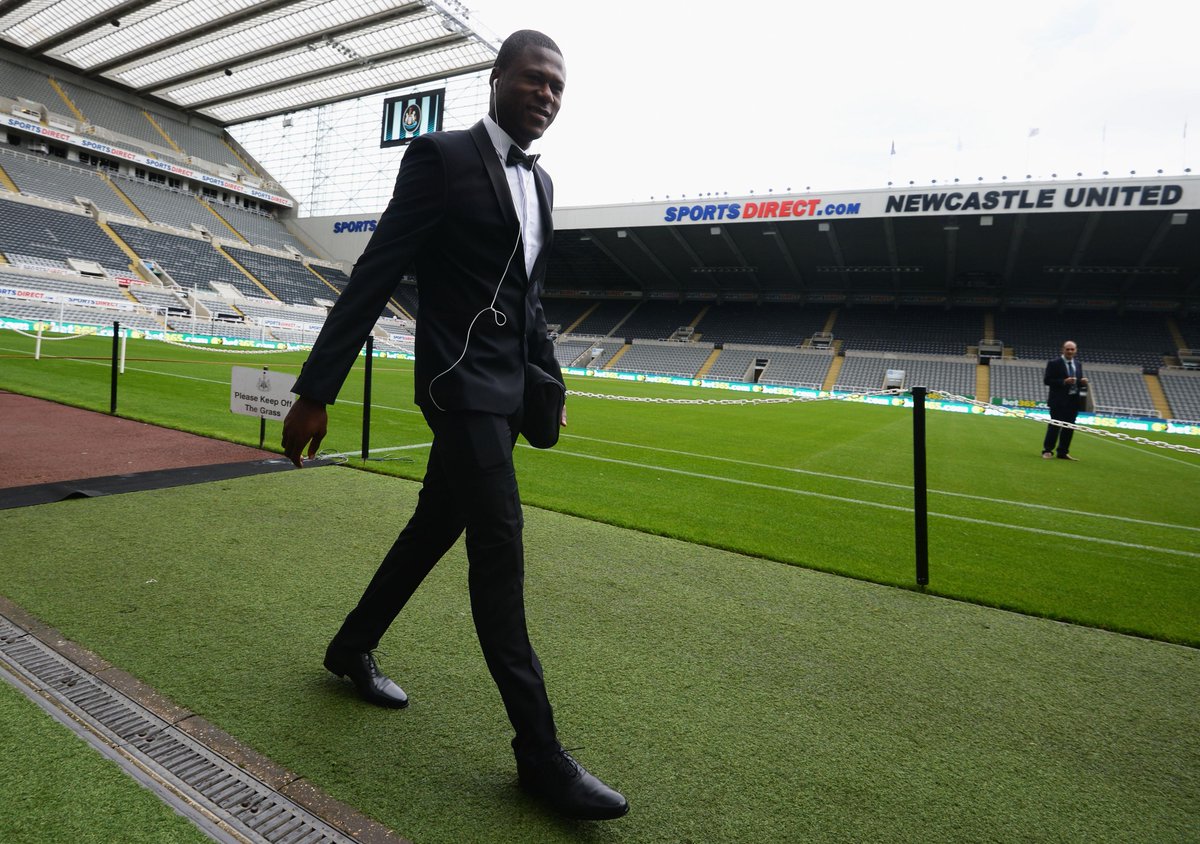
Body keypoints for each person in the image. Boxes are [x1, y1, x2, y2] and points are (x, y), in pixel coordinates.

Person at [280, 30, 628, 821]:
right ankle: (539, 755)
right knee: (498, 556)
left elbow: (531, 304)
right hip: (456, 388)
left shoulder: (542, 189)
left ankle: (349, 647)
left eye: (559, 89)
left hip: (506, 400)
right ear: (497, 78)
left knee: (433, 527)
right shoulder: (439, 157)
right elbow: (375, 274)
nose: (547, 95)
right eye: (535, 80)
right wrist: (316, 389)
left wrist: (552, 380)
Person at [1042, 340, 1087, 460]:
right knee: (1054, 426)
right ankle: (1047, 450)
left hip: (1073, 401)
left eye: (1072, 349)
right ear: (1063, 350)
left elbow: (1077, 383)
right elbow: (1047, 380)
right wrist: (1063, 382)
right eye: (1068, 349)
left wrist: (1082, 383)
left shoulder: (1078, 364)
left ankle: (1063, 452)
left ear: (1076, 351)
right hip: (1058, 401)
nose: (1070, 351)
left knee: (1069, 427)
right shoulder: (1054, 363)